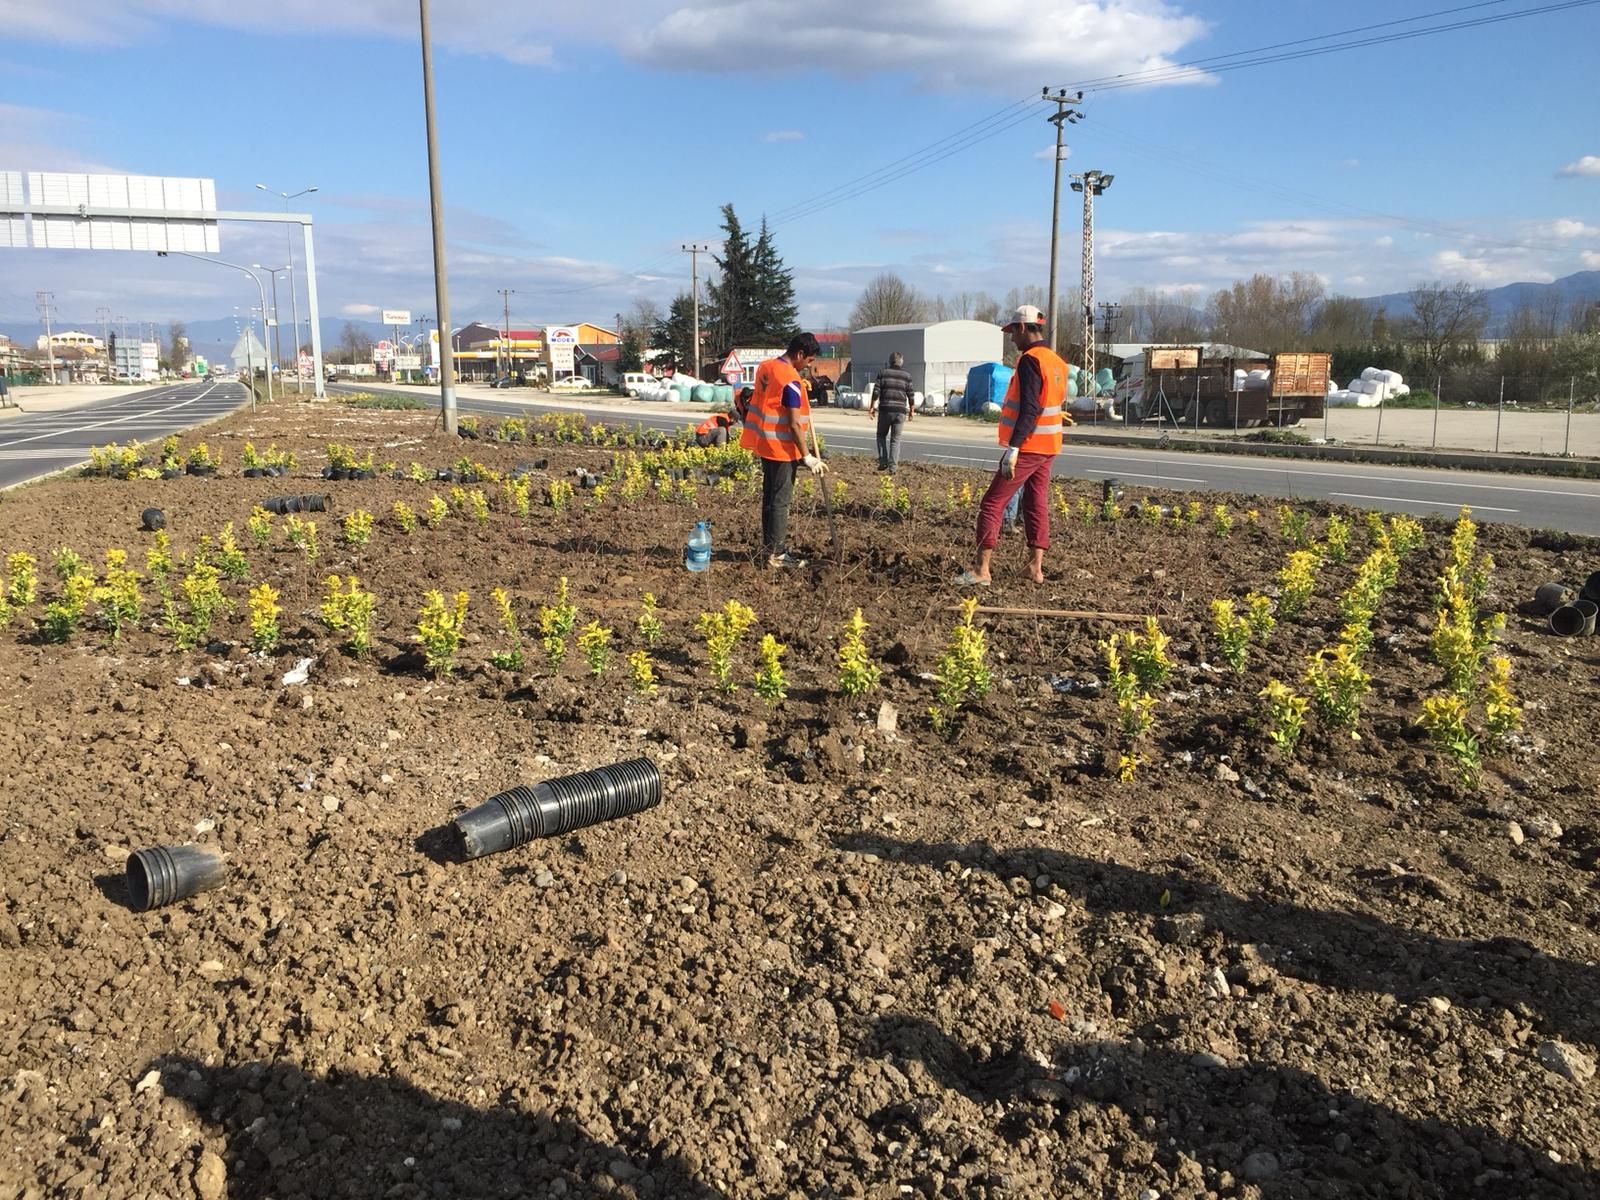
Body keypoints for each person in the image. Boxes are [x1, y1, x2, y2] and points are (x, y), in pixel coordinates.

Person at [958, 305, 1071, 586]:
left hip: (1030, 445)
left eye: (1012, 333)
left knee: (993, 502)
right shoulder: (1056, 360)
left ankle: (982, 570)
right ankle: (1035, 568)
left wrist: (1014, 448)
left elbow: (1031, 408)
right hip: (1050, 445)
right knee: (1035, 502)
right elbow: (1051, 403)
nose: (1011, 339)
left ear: (1023, 328)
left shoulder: (1031, 360)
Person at [739, 333, 828, 568]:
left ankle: (769, 548)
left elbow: (771, 398)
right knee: (780, 502)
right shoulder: (791, 381)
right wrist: (807, 456)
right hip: (782, 450)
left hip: (765, 444)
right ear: (799, 354)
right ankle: (777, 555)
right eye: (808, 361)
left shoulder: (767, 368)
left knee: (769, 499)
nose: (809, 366)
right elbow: (794, 424)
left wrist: (798, 384)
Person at [868, 351, 914, 473]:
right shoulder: (907, 376)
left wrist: (872, 407)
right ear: (901, 361)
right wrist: (912, 411)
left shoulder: (883, 373)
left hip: (885, 410)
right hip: (900, 412)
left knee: (881, 435)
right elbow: (911, 395)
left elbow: (876, 391)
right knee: (895, 439)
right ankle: (893, 467)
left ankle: (883, 461)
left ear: (890, 361)